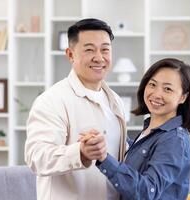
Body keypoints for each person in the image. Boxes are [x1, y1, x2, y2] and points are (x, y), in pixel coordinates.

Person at [24, 18, 127, 200]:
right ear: (71, 55)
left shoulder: (115, 100)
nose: (99, 57)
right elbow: (36, 157)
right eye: (89, 49)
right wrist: (80, 152)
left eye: (105, 49)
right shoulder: (52, 100)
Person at [80, 58, 190, 199]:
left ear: (183, 97)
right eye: (153, 84)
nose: (156, 94)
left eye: (167, 89)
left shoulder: (174, 140)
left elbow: (147, 192)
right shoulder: (150, 132)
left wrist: (104, 158)